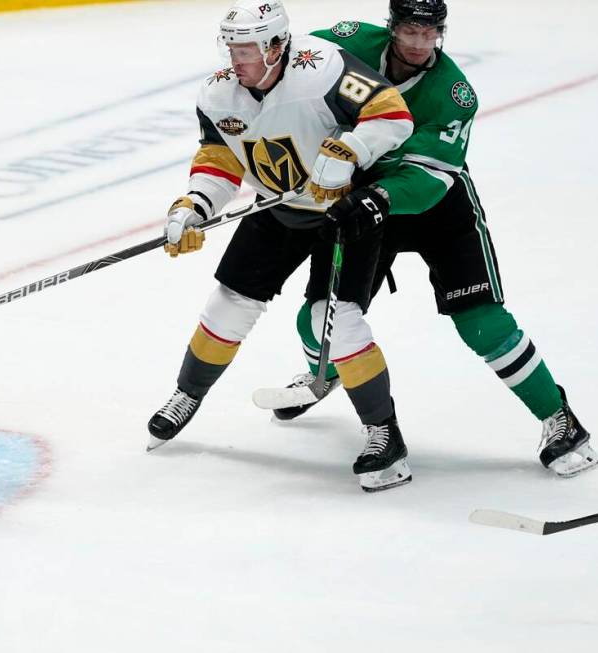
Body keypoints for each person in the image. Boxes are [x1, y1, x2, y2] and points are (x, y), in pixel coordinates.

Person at [270, 0, 597, 478]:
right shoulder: (349, 41)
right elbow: (291, 62)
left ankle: (560, 420)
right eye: (411, 31)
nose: (422, 44)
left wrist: (376, 196)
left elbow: (428, 180)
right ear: (392, 27)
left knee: (481, 323)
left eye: (431, 33)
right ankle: (331, 370)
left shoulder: (453, 93)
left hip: (437, 207)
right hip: (365, 203)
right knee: (319, 320)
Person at [146, 0, 416, 492]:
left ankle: (384, 433)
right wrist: (193, 205)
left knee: (333, 319)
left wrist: (348, 150)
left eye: (247, 49)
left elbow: (391, 115)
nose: (236, 60)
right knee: (227, 303)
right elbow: (219, 160)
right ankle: (188, 394)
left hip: (343, 211)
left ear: (276, 45)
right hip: (278, 206)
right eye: (231, 48)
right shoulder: (218, 94)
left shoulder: (322, 69)